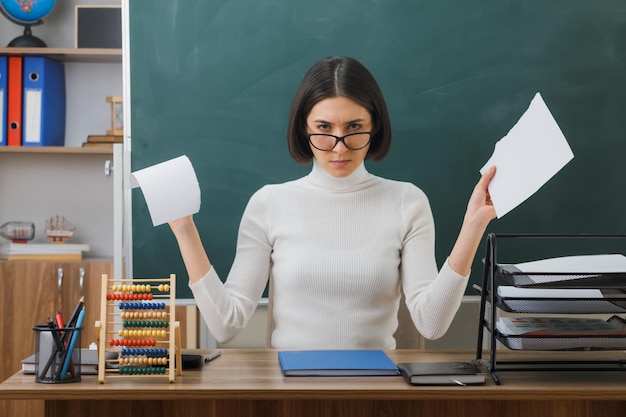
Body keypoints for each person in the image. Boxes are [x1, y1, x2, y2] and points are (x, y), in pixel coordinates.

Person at [169, 56, 497, 349]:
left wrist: (473, 225)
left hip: (379, 393)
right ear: (303, 127)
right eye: (324, 128)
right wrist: (184, 230)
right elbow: (226, 325)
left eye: (354, 128)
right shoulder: (269, 203)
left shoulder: (407, 202)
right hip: (289, 390)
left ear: (375, 126)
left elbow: (432, 323)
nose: (339, 148)